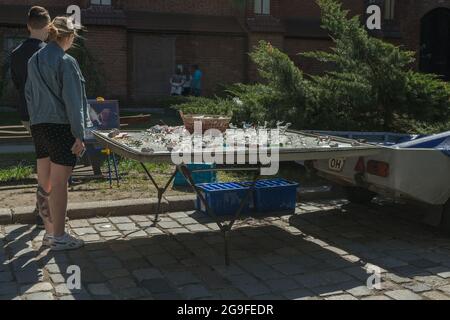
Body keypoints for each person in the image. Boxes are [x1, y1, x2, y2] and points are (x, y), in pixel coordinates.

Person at [25, 16, 91, 251]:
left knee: (45, 183)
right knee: (60, 183)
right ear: (70, 36)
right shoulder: (66, 61)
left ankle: (49, 233)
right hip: (61, 126)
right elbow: (74, 102)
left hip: (39, 125)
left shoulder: (34, 59)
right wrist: (80, 134)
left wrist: (35, 123)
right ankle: (59, 236)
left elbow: (29, 95)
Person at [10, 6, 51, 229]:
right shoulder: (50, 53)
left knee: (43, 159)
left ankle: (41, 208)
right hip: (48, 115)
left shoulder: (16, 53)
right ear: (48, 26)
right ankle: (42, 209)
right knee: (51, 162)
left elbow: (17, 85)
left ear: (28, 25)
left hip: (27, 114)